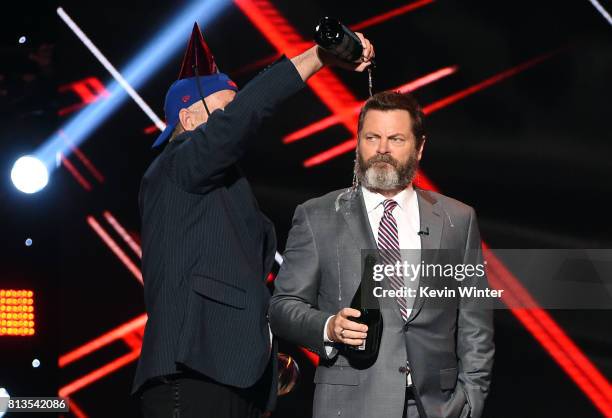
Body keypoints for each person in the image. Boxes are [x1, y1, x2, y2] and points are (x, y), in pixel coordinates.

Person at [131, 23, 375, 418]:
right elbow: (248, 113)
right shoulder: (176, 165)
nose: (236, 120)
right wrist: (318, 58)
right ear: (190, 119)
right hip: (193, 375)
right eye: (226, 112)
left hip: (237, 380)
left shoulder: (222, 189)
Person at [269, 91, 494, 418]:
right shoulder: (317, 216)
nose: (382, 149)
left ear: (419, 147)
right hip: (351, 406)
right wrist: (329, 326)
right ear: (358, 142)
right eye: (371, 137)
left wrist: (470, 401)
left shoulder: (457, 219)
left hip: (438, 408)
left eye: (396, 138)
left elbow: (476, 323)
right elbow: (282, 307)